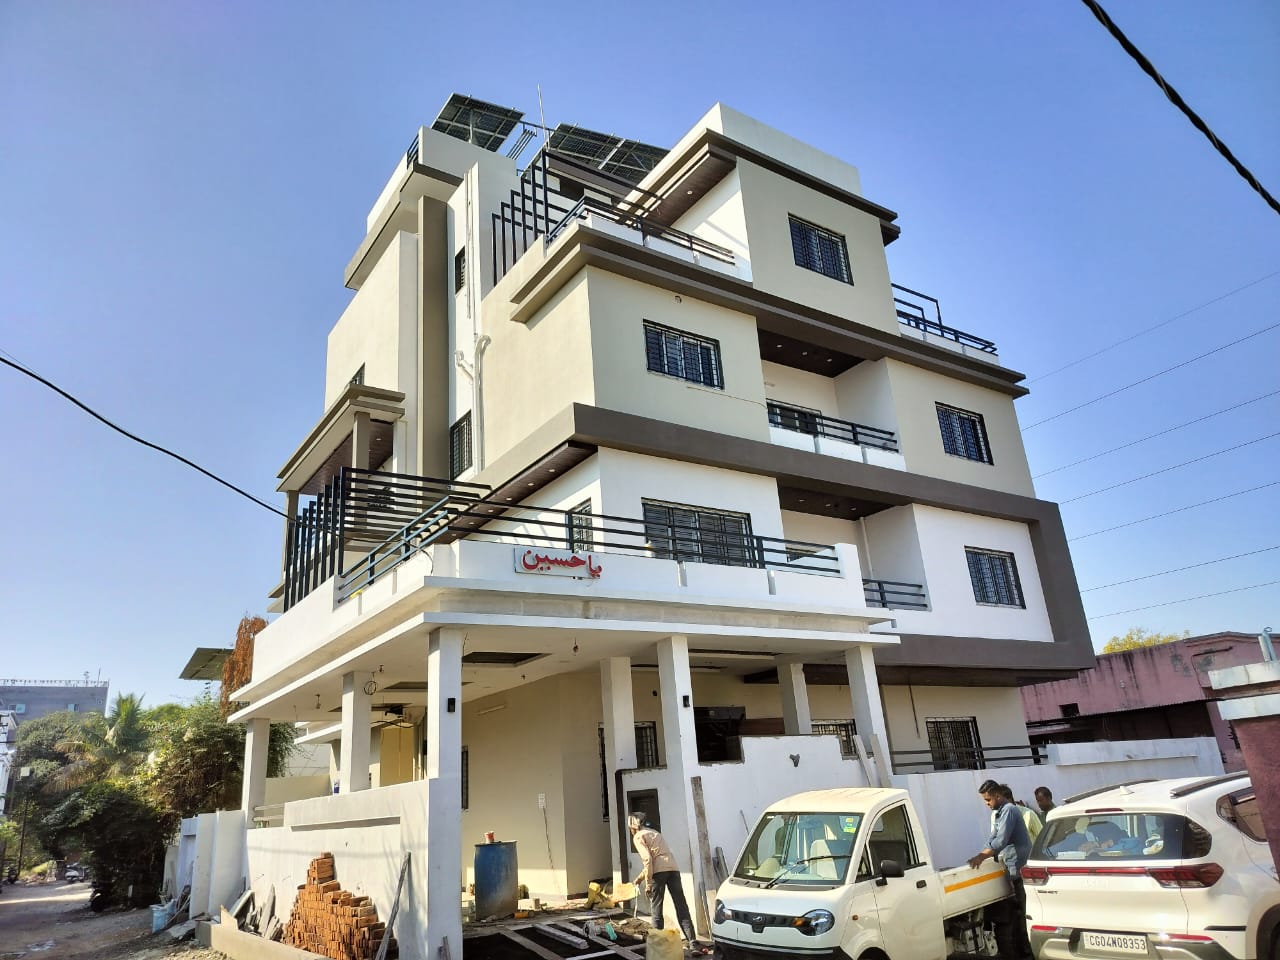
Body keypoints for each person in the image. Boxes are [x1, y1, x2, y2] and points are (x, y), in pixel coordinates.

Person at [969, 780, 1033, 960]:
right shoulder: (999, 812)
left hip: (1019, 868)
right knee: (1017, 913)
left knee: (1023, 913)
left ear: (998, 796)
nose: (987, 804)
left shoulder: (1010, 811)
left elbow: (1001, 840)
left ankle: (1029, 953)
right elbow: (992, 838)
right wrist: (983, 853)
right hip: (1011, 868)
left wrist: (982, 856)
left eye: (988, 800)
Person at [629, 814, 708, 954]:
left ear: (633, 826)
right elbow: (658, 857)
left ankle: (659, 946)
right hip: (673, 868)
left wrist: (647, 884)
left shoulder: (638, 836)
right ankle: (693, 942)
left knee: (656, 909)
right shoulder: (654, 833)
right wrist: (639, 879)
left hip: (658, 873)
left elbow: (648, 860)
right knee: (681, 906)